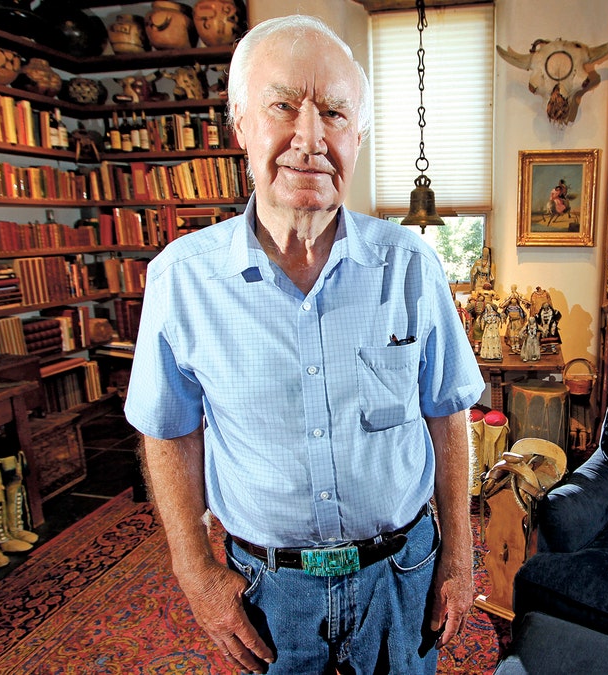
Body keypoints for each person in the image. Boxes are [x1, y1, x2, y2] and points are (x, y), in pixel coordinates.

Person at [124, 15, 485, 675]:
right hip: (269, 591)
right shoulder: (181, 279)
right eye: (284, 106)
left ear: (359, 136)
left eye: (336, 113)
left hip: (400, 573)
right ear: (240, 125)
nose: (311, 138)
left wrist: (459, 562)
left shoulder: (411, 265)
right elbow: (169, 433)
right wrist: (195, 573)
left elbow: (447, 411)